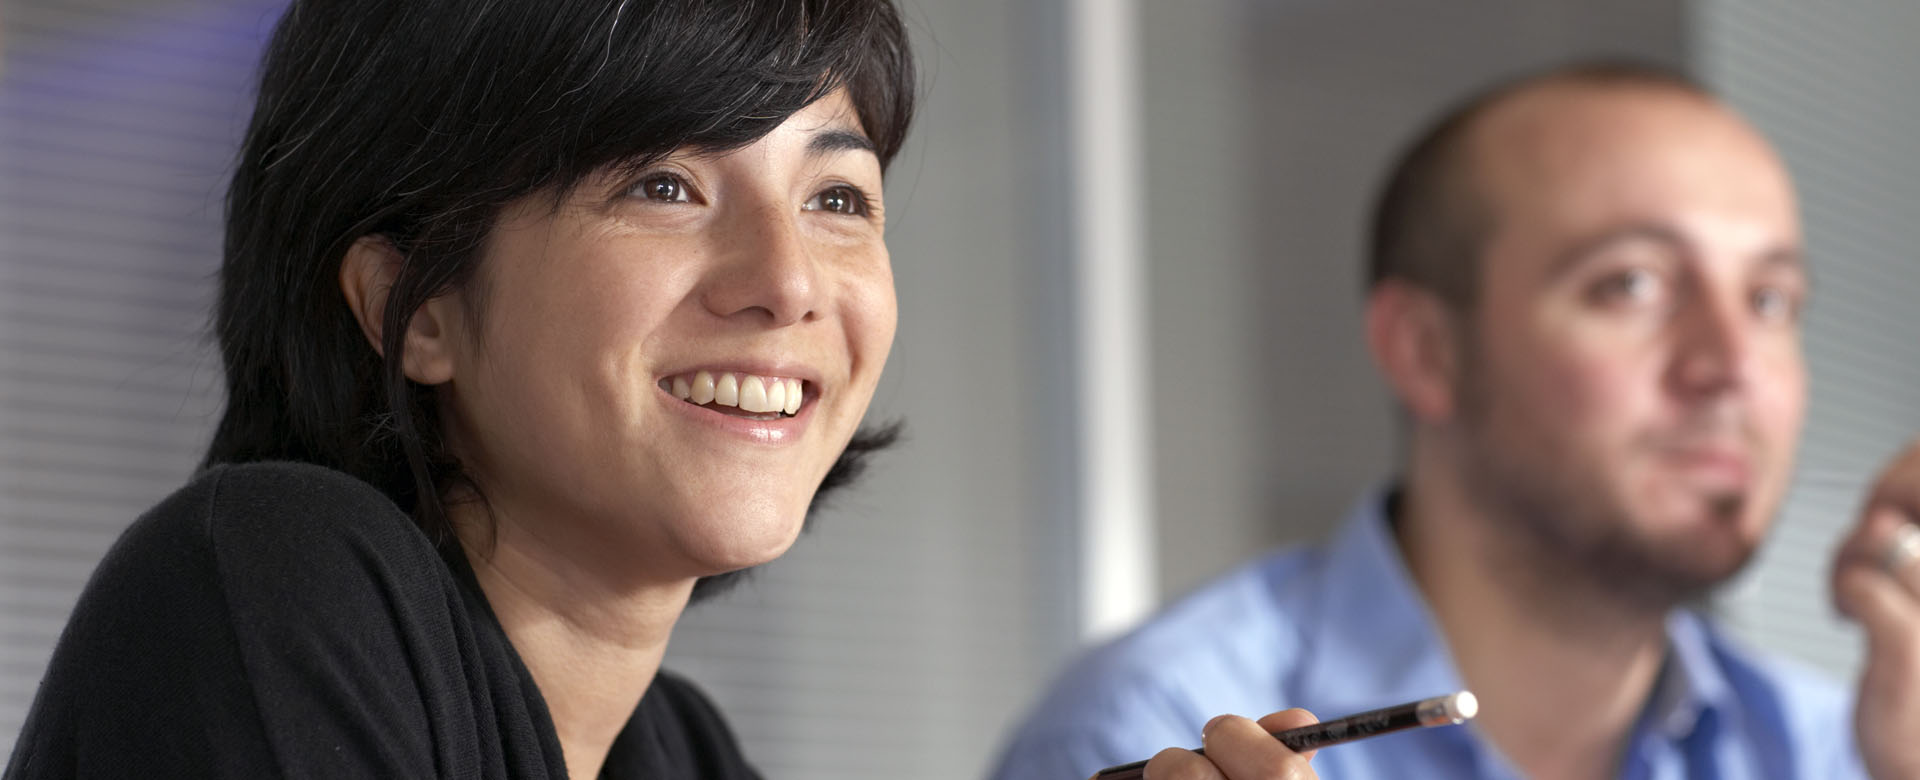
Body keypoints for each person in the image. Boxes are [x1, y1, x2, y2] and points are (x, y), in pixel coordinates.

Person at [4, 0, 916, 776]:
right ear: (418, 304)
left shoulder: (677, 749)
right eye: (664, 184)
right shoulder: (271, 589)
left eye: (835, 198)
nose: (789, 283)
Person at [991, 61, 1920, 780]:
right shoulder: (1153, 733)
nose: (1730, 367)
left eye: (1771, 300)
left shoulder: (1835, 751)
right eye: (1630, 284)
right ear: (1426, 350)